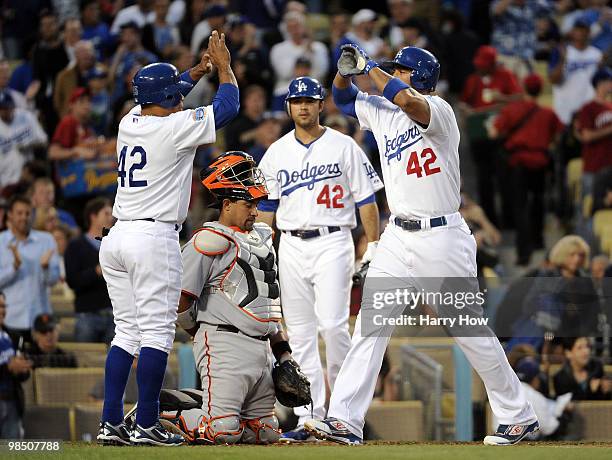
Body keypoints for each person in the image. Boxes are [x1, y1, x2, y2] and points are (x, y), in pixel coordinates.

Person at [304, 44, 539, 446]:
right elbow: (341, 97)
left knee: (469, 330)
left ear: (420, 77)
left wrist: (372, 68)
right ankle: (344, 420)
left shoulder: (440, 111)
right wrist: (346, 71)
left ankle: (519, 414)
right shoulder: (381, 110)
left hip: (442, 235)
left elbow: (409, 100)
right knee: (369, 326)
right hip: (398, 235)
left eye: (402, 70)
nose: (394, 74)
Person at [96, 30, 239, 447]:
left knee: (126, 333)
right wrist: (224, 68)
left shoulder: (130, 120)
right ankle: (146, 424)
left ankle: (111, 423)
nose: (181, 96)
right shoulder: (175, 127)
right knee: (157, 334)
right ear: (166, 99)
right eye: (176, 91)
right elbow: (226, 107)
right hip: (151, 236)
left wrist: (195, 71)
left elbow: (169, 93)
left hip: (118, 236)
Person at [256, 76, 383, 442]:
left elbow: (366, 201)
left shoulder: (343, 146)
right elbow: (266, 208)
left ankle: (344, 412)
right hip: (292, 244)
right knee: (300, 336)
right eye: (297, 102)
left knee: (332, 326)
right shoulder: (277, 151)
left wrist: (372, 245)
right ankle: (310, 417)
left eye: (310, 100)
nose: (304, 107)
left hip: (334, 240)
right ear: (289, 107)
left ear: (321, 104)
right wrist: (263, 248)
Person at [176, 151, 304, 444]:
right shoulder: (209, 240)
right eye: (249, 204)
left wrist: (283, 353)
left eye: (256, 204)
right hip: (224, 344)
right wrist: (198, 332)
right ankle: (163, 412)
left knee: (268, 434)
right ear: (227, 204)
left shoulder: (262, 239)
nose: (255, 212)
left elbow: (269, 305)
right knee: (221, 432)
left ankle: (212, 404)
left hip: (261, 352)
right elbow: (181, 299)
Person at [488, 73, 564, 265]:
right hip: (540, 163)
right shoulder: (548, 113)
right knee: (538, 202)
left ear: (523, 89)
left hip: (519, 163)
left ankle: (524, 252)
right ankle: (538, 241)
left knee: (520, 206)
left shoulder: (513, 110)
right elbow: (558, 136)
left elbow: (494, 132)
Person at [0, 196, 60, 346]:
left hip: (40, 320)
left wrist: (45, 268)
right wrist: (13, 267)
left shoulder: (47, 240)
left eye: (28, 213)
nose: (24, 217)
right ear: (10, 215)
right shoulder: (1, 242)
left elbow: (53, 280)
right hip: (10, 319)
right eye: (19, 213)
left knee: (40, 366)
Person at [64, 198, 114, 344]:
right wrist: (96, 272)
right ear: (93, 216)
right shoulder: (76, 246)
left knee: (116, 364)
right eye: (106, 213)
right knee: (85, 360)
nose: (110, 218)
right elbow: (72, 281)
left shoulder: (116, 244)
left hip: (115, 315)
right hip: (87, 315)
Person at [549, 20, 603, 125]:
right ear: (572, 32)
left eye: (584, 30)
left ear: (589, 32)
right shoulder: (561, 51)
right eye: (578, 30)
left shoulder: (597, 54)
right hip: (564, 108)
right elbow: (553, 80)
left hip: (588, 109)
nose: (581, 33)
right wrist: (562, 60)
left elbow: (603, 83)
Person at [512, 357, 574, 440]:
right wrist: (565, 414)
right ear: (535, 379)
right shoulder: (535, 396)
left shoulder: (506, 392)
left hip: (500, 441)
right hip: (524, 443)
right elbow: (550, 429)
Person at [0, 91, 48, 191]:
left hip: (29, 175)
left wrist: (28, 145)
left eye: (7, 107)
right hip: (5, 179)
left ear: (13, 107)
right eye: (2, 108)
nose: (5, 111)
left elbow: (44, 141)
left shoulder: (26, 117)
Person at [0, 291, 32, 439]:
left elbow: (23, 376)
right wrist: (8, 368)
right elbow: (8, 367)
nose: (2, 310)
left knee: (12, 453)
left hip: (11, 401)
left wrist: (22, 369)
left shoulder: (13, 337)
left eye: (3, 306)